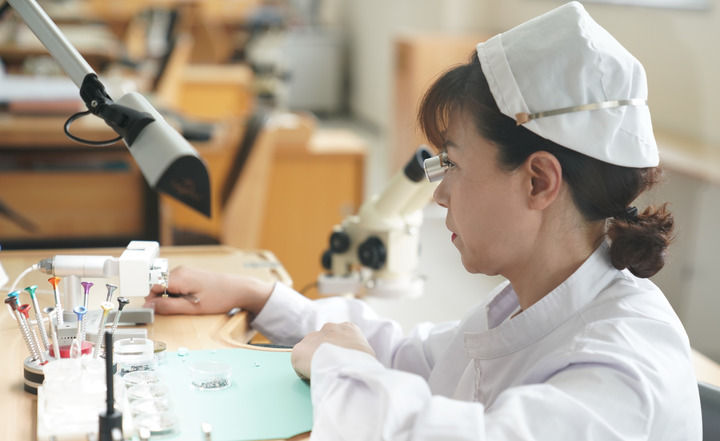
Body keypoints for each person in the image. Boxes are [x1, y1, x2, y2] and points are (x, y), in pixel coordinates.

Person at [144, 2, 702, 439]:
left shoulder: (622, 368)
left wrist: (344, 368)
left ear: (538, 181)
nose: (439, 195)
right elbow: (411, 357)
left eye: (452, 164)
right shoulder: (534, 299)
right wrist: (258, 295)